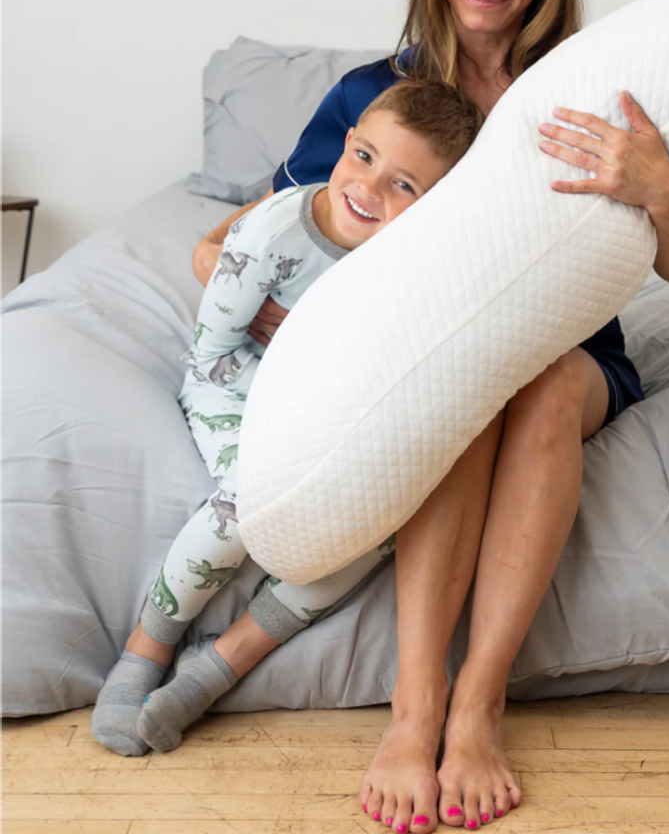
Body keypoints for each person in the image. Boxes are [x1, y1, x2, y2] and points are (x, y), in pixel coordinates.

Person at [191, 0, 669, 834]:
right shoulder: (376, 97)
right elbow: (247, 234)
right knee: (462, 379)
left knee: (535, 381)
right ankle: (415, 701)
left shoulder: (589, 91)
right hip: (434, 357)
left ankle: (477, 704)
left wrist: (662, 188)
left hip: (573, 355)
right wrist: (238, 287)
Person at [90, 80, 483, 758]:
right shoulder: (273, 231)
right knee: (251, 500)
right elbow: (213, 350)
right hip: (234, 385)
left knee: (373, 526)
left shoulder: (411, 263)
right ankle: (147, 646)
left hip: (326, 410)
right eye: (364, 157)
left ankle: (224, 661)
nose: (368, 190)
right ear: (347, 140)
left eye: (404, 186)